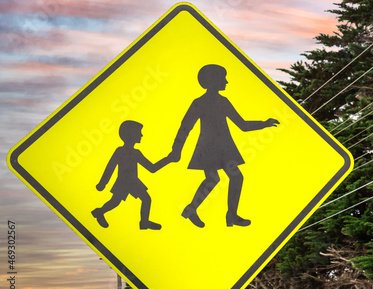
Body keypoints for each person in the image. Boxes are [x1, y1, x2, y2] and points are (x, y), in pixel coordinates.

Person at [168, 64, 279, 228]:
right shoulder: (199, 103)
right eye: (223, 78)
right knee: (214, 178)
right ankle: (194, 210)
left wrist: (264, 124)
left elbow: (242, 124)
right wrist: (176, 150)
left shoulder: (223, 101)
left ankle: (229, 215)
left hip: (225, 147)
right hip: (208, 148)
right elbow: (185, 127)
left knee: (234, 177)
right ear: (212, 81)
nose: (226, 82)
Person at [91, 120, 173, 230]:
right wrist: (102, 183)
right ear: (130, 135)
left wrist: (168, 159)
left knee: (146, 199)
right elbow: (110, 167)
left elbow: (152, 168)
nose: (141, 135)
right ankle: (99, 212)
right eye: (139, 132)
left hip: (134, 182)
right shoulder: (120, 151)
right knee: (115, 202)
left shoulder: (136, 153)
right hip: (123, 182)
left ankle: (144, 222)